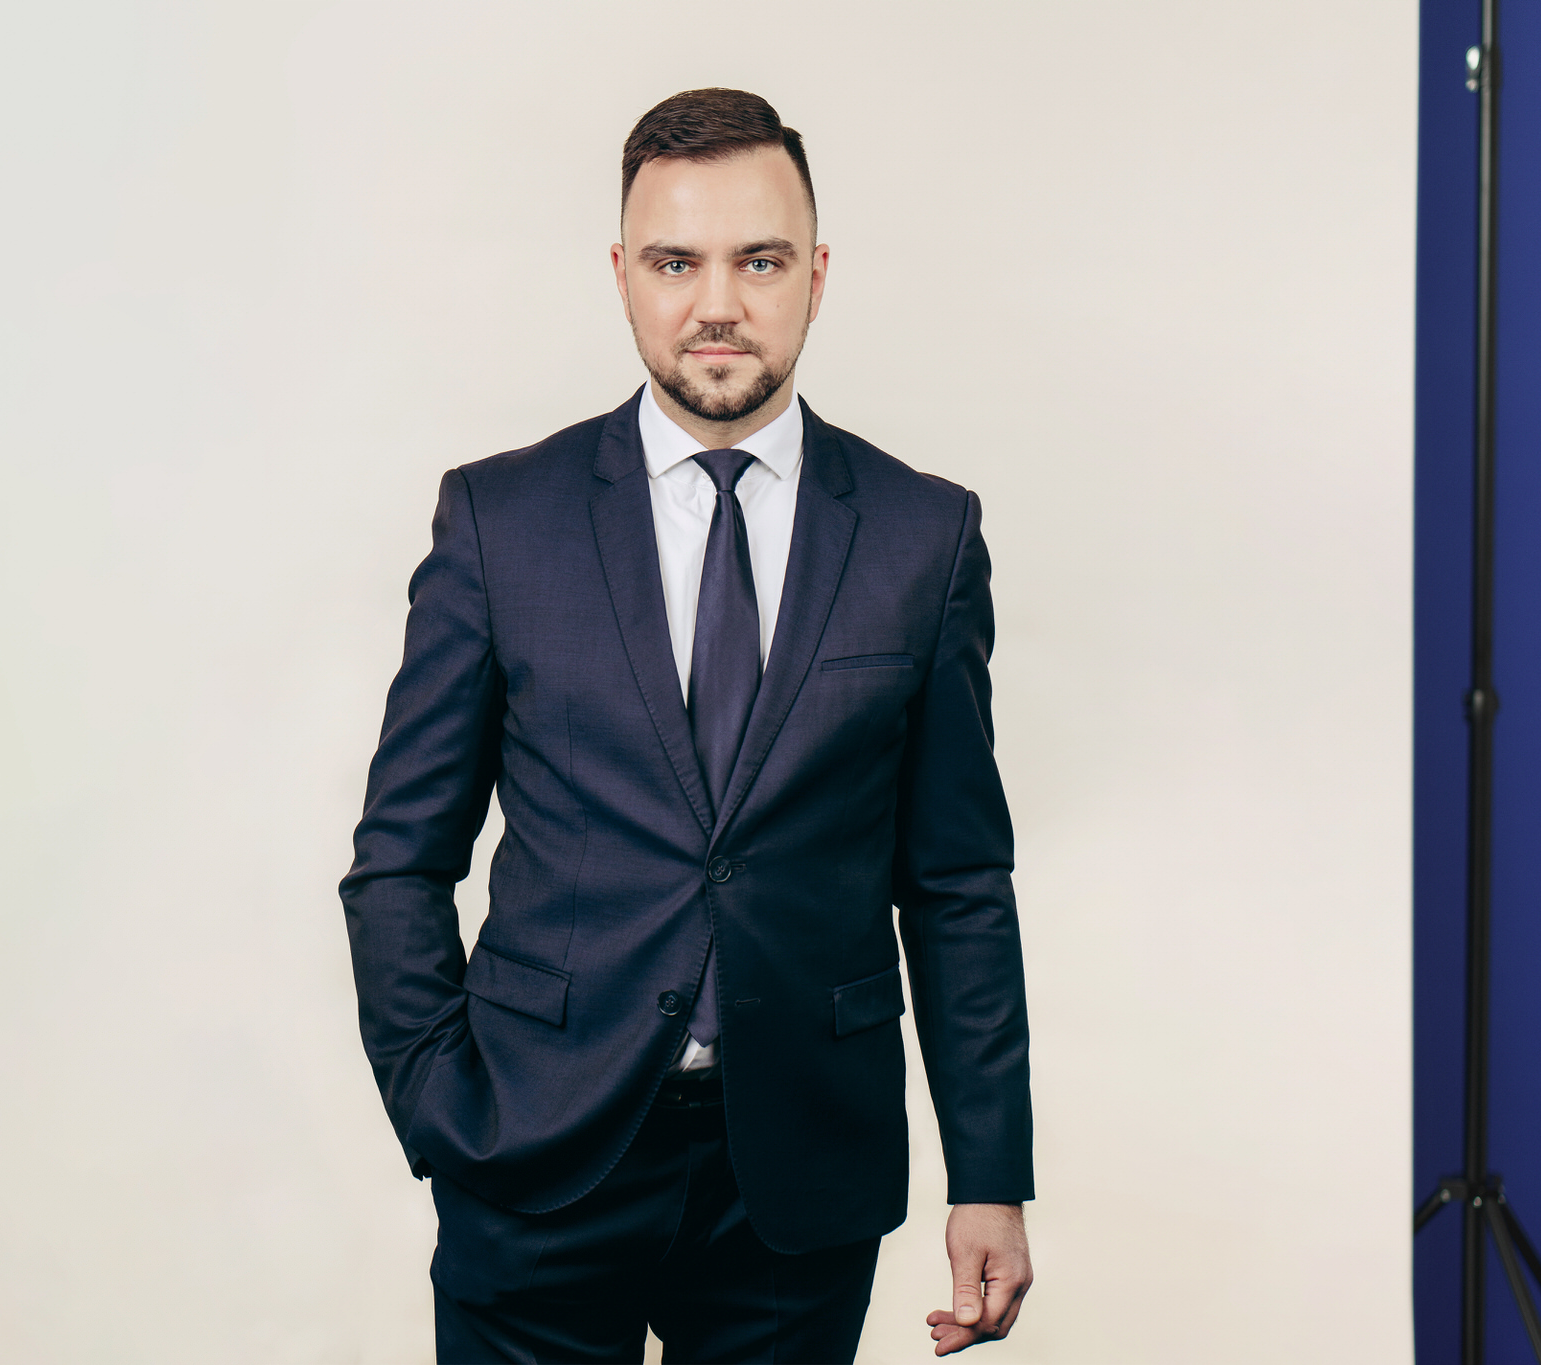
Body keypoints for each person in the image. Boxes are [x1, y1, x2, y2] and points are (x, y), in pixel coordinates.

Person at [341, 87, 1033, 1363]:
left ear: (815, 276)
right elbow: (398, 859)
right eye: (675, 262)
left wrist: (989, 1176)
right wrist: (441, 1102)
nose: (717, 303)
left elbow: (954, 883)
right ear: (622, 276)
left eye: (758, 261)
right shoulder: (501, 523)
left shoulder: (921, 537)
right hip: (535, 1149)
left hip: (798, 1170)